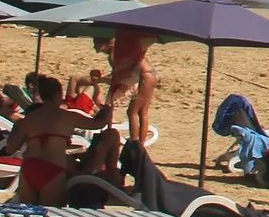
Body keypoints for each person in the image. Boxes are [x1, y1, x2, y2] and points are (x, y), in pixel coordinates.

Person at [9, 73, 116, 204]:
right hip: (52, 169)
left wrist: (17, 126)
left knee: (27, 214)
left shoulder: (30, 118)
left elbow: (11, 147)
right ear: (57, 95)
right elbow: (99, 124)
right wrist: (106, 110)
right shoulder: (66, 116)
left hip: (30, 167)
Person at [99, 28, 158, 143]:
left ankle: (135, 143)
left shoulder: (113, 55)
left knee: (132, 112)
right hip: (151, 74)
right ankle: (139, 144)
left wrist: (103, 83)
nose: (94, 47)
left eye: (96, 43)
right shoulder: (120, 50)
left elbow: (119, 76)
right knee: (142, 112)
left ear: (105, 44)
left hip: (145, 76)